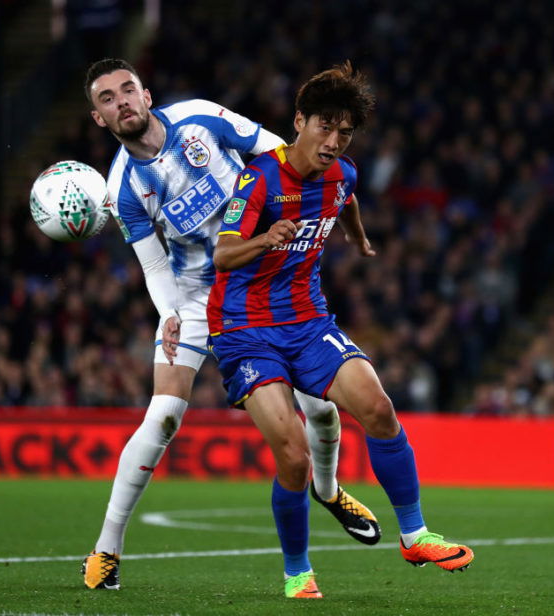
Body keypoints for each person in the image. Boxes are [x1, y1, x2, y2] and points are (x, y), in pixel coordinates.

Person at [80, 58, 381, 590]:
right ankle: (107, 549)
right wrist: (170, 314)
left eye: (128, 89)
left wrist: (317, 212)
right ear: (99, 118)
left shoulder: (200, 118)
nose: (121, 101)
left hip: (265, 281)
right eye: (108, 98)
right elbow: (154, 264)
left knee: (322, 410)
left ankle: (328, 490)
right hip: (198, 297)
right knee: (163, 416)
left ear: (146, 95)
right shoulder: (122, 186)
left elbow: (280, 152)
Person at [208, 61, 474, 599]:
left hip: (308, 321)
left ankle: (415, 536)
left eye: (345, 132)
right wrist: (265, 240)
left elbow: (345, 200)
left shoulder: (343, 174)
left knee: (378, 407)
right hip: (245, 329)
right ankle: (297, 572)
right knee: (293, 455)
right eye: (325, 127)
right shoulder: (260, 178)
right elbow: (223, 254)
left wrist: (358, 237)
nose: (333, 142)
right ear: (299, 121)